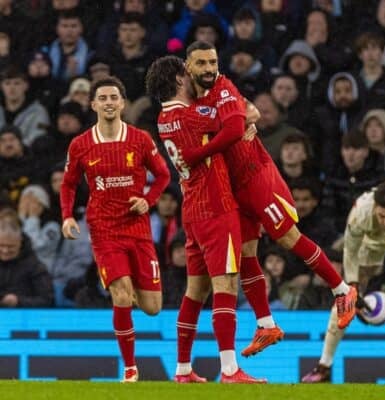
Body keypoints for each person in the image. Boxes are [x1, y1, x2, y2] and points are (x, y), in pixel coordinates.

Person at [181, 41, 357, 344]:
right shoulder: (188, 99)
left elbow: (239, 124)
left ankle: (342, 290)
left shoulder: (223, 88)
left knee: (288, 237)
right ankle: (266, 325)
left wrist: (207, 146)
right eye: (202, 63)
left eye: (212, 62)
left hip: (256, 177)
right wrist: (245, 115)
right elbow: (248, 112)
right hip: (231, 189)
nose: (209, 69)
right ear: (189, 67)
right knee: (248, 254)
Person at [146, 55, 266, 384]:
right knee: (225, 285)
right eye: (188, 74)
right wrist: (233, 97)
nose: (194, 78)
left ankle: (183, 369)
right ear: (177, 80)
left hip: (192, 210)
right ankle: (229, 370)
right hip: (216, 206)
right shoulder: (192, 114)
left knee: (195, 291)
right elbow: (237, 118)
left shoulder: (164, 118)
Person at [60, 76, 170, 382]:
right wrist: (68, 217)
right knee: (121, 296)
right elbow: (68, 184)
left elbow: (162, 176)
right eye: (103, 98)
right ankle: (131, 368)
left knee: (152, 308)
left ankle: (129, 286)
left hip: (138, 229)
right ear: (94, 104)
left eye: (114, 98)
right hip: (104, 229)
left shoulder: (140, 139)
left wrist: (148, 201)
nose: (108, 102)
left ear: (122, 103)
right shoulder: (80, 144)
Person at [302, 184, 385, 384]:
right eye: (382, 216)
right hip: (369, 242)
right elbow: (350, 252)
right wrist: (353, 286)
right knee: (346, 299)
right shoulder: (359, 214)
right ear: (374, 209)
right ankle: (323, 366)